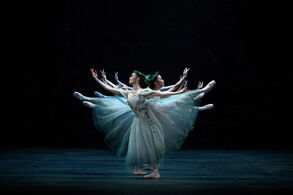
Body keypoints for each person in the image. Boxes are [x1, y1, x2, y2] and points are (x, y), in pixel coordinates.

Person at [74, 68, 216, 179]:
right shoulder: (128, 92)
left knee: (151, 143)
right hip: (138, 120)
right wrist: (98, 79)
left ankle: (155, 171)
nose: (129, 77)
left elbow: (164, 94)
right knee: (138, 144)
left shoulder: (145, 91)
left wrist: (180, 91)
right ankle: (138, 168)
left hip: (149, 120)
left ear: (137, 78)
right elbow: (109, 89)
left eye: (131, 75)